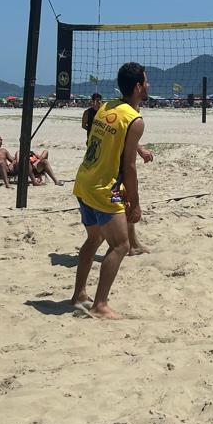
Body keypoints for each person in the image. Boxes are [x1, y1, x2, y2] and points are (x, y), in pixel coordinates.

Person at [71, 62, 148, 318]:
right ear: (138, 87)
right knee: (121, 245)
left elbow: (115, 141)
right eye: (146, 82)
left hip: (84, 181)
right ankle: (100, 305)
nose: (148, 85)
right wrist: (135, 203)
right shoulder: (135, 120)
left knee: (94, 239)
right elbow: (129, 167)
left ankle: (79, 294)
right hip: (105, 188)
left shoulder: (107, 107)